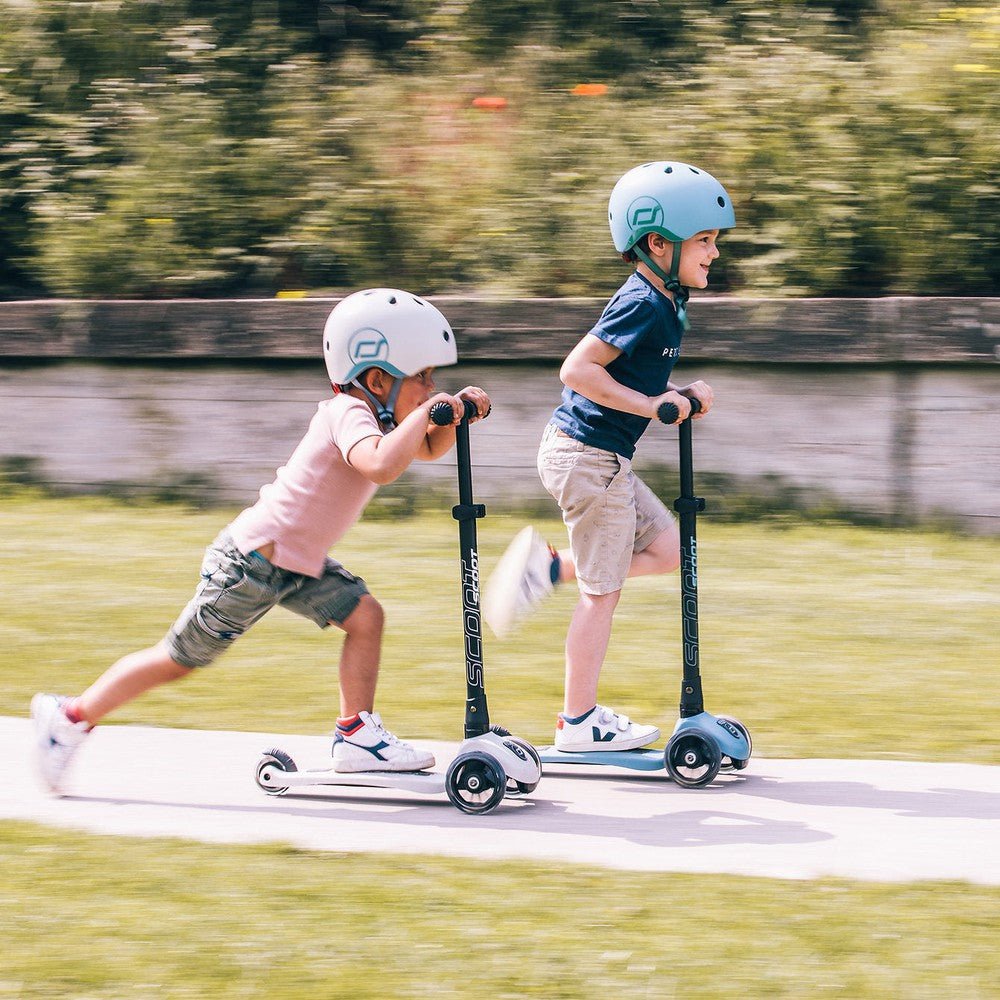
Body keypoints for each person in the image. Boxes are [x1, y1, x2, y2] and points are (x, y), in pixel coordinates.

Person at [32, 288, 490, 795]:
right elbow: (381, 465)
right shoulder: (347, 413)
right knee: (178, 659)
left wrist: (457, 413)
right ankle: (70, 717)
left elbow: (425, 449)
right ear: (377, 377)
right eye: (422, 377)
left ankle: (356, 734)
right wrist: (433, 413)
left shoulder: (381, 416)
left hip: (297, 564)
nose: (431, 387)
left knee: (366, 617)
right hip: (252, 564)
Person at [483, 160, 735, 752]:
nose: (714, 254)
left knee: (670, 550)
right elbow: (577, 369)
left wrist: (676, 396)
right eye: (703, 241)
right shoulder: (642, 301)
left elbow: (643, 383)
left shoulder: (667, 300)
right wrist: (657, 406)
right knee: (603, 594)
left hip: (603, 459)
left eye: (714, 242)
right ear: (657, 243)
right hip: (585, 456)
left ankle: (548, 569)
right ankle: (578, 721)